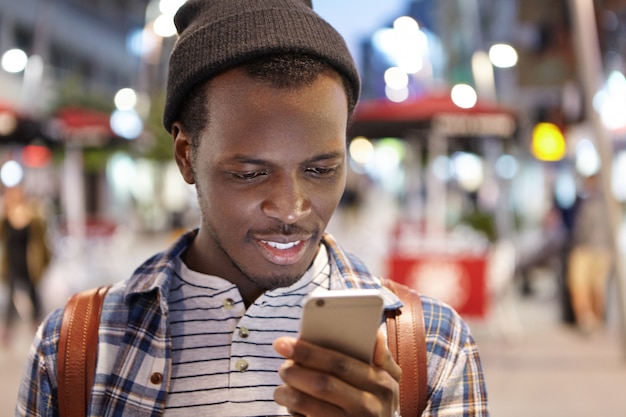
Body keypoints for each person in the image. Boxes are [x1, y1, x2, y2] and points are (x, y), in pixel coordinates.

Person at [16, 0, 489, 416]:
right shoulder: (78, 347)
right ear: (186, 155)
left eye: (322, 170)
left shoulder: (432, 348)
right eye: (249, 173)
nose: (291, 208)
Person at [0, 184, 50, 345]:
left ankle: (39, 327)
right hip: (12, 263)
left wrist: (44, 260)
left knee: (34, 295)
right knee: (10, 298)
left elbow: (41, 240)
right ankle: (7, 330)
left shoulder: (32, 216)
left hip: (29, 263)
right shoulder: (6, 217)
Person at [567, 173, 614, 334]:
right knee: (592, 288)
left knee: (586, 287)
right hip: (599, 249)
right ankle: (591, 321)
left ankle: (591, 321)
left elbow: (582, 230)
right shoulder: (605, 203)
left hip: (589, 249)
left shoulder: (596, 204)